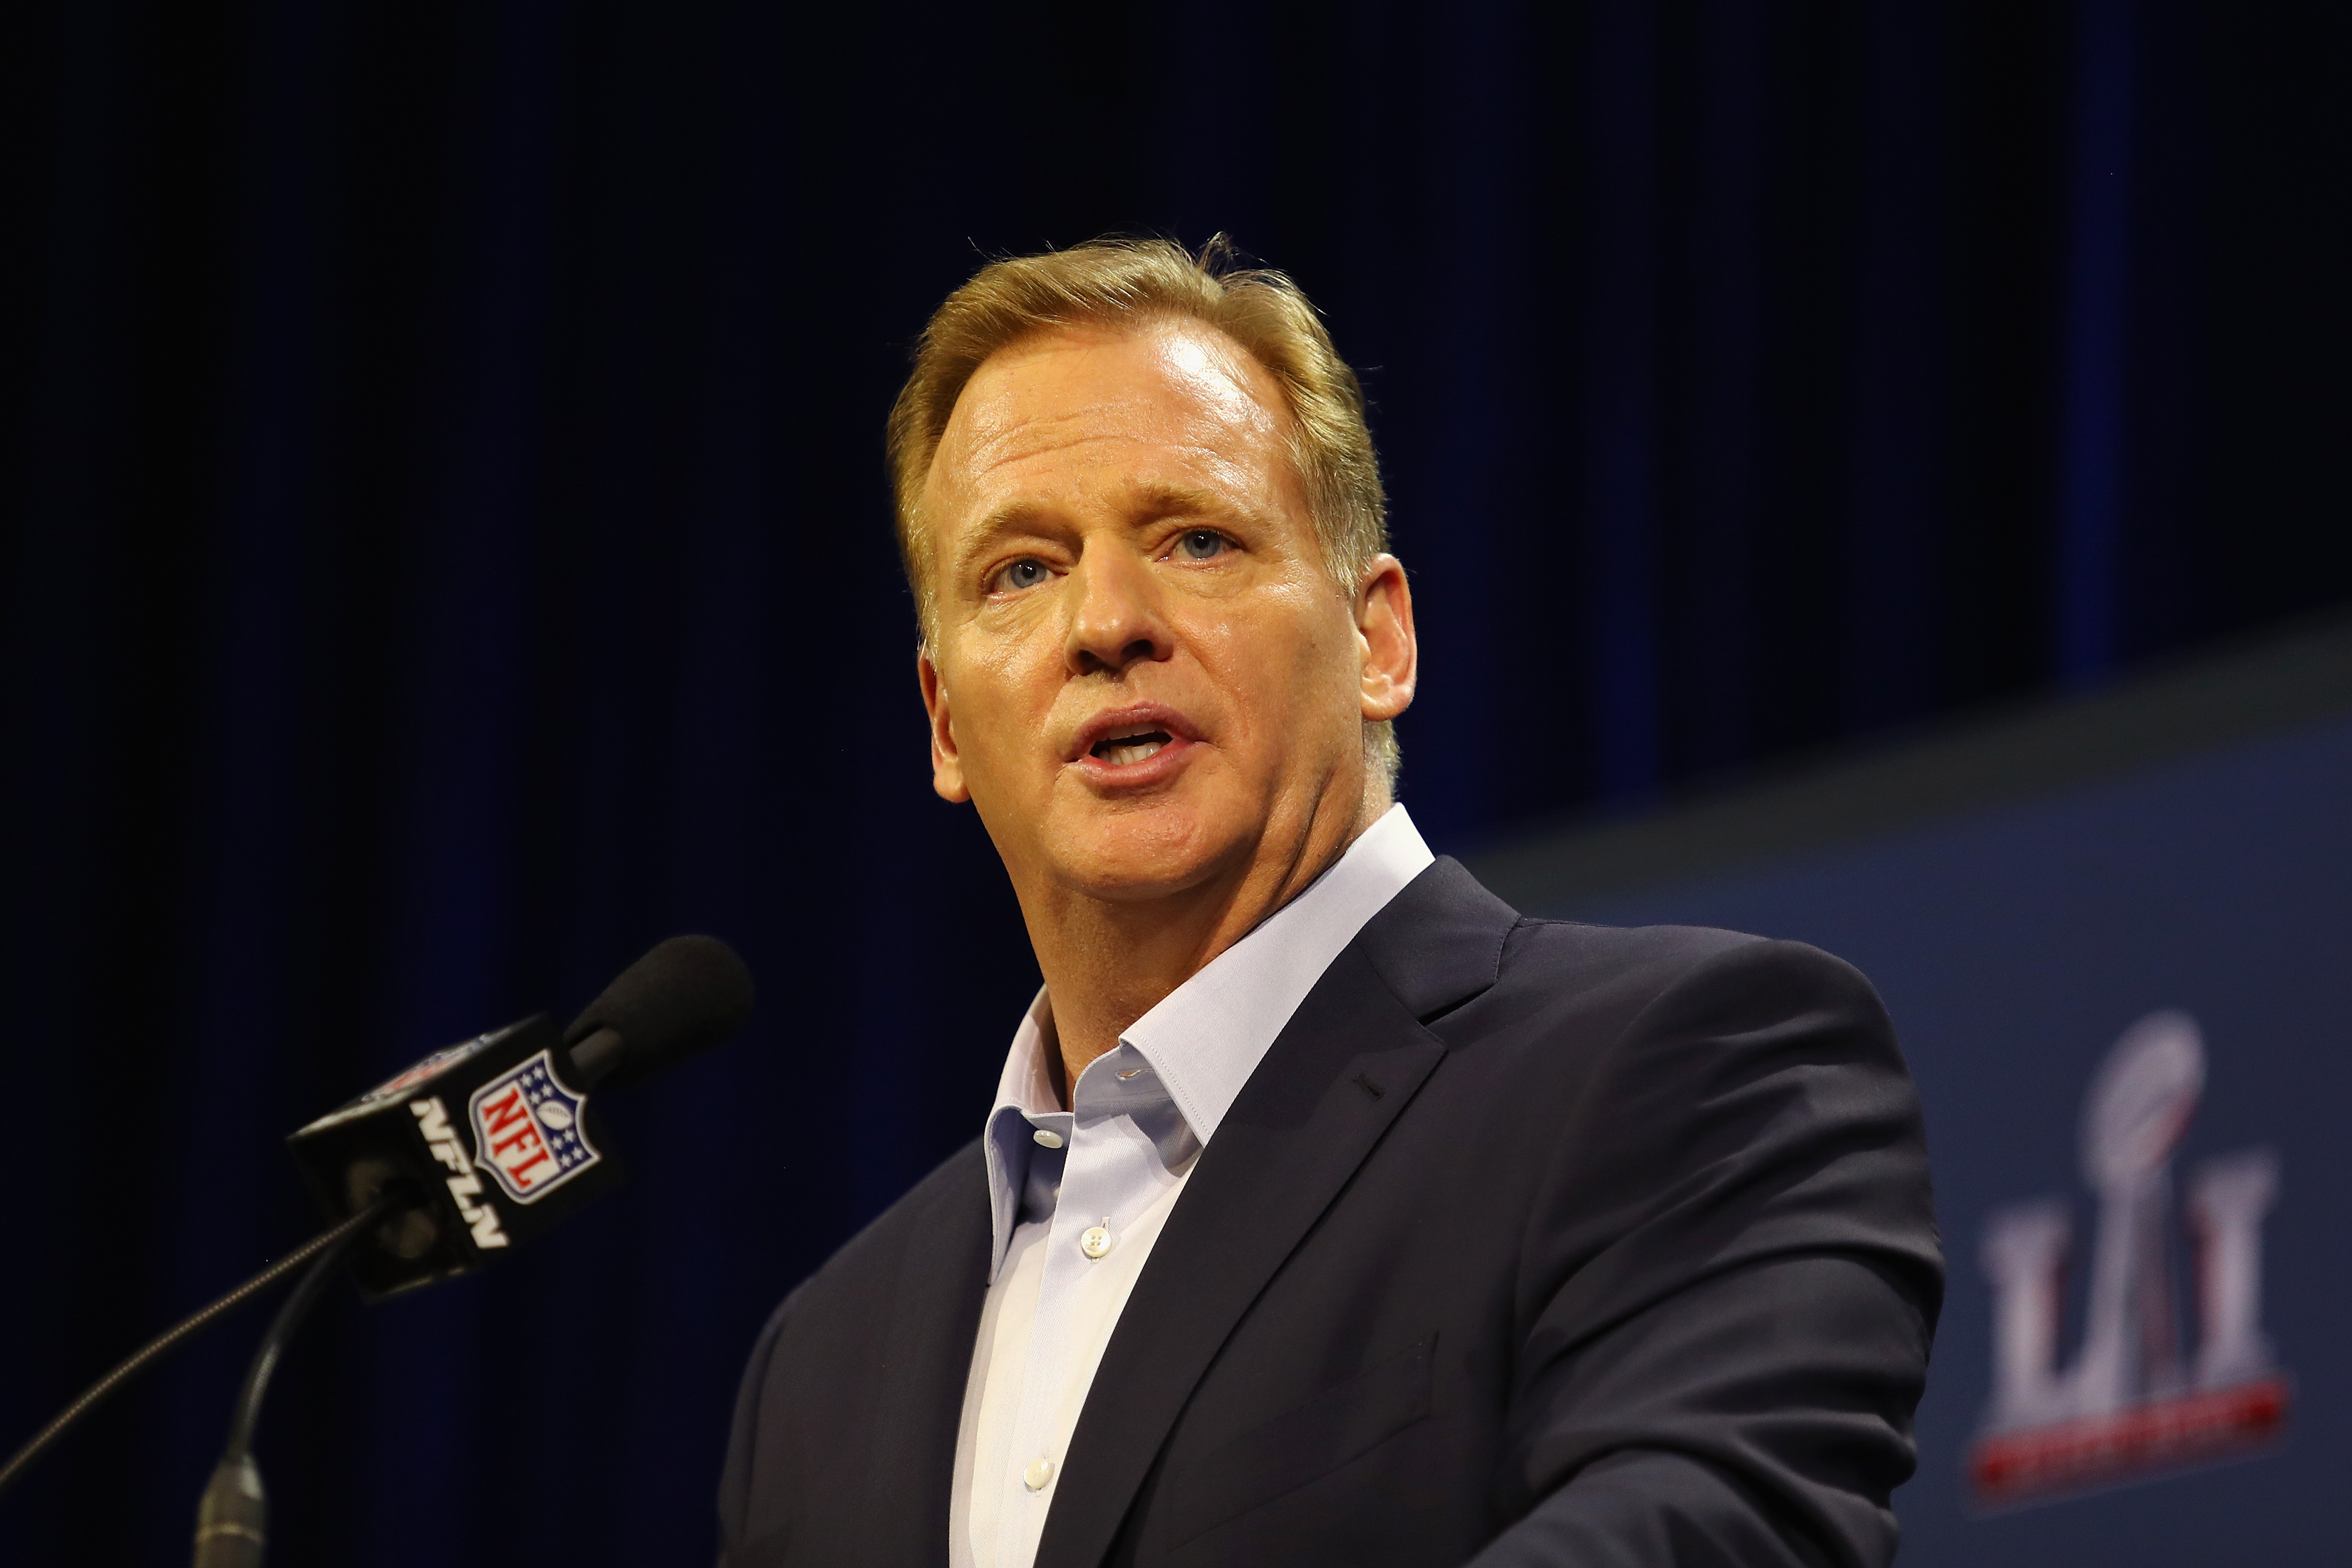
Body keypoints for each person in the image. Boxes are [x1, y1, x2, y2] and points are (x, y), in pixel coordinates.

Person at [715, 238, 1941, 1568]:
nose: (1105, 620)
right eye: (1020, 570)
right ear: (946, 723)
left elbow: (1711, 1533)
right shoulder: (823, 1366)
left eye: (1195, 538)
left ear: (1379, 639)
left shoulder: (1686, 1069)